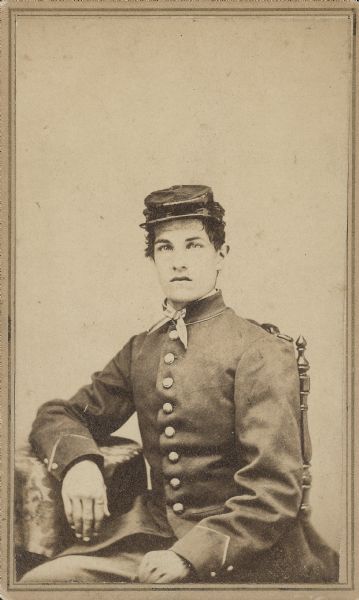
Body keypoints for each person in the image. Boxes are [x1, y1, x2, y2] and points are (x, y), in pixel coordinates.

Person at [21, 185, 338, 584]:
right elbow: (61, 414)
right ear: (152, 258)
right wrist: (79, 463)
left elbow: (274, 491)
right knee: (40, 584)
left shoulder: (259, 350)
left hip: (243, 548)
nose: (178, 262)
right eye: (165, 248)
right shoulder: (144, 348)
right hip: (153, 531)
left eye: (194, 246)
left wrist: (190, 556)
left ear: (220, 255)